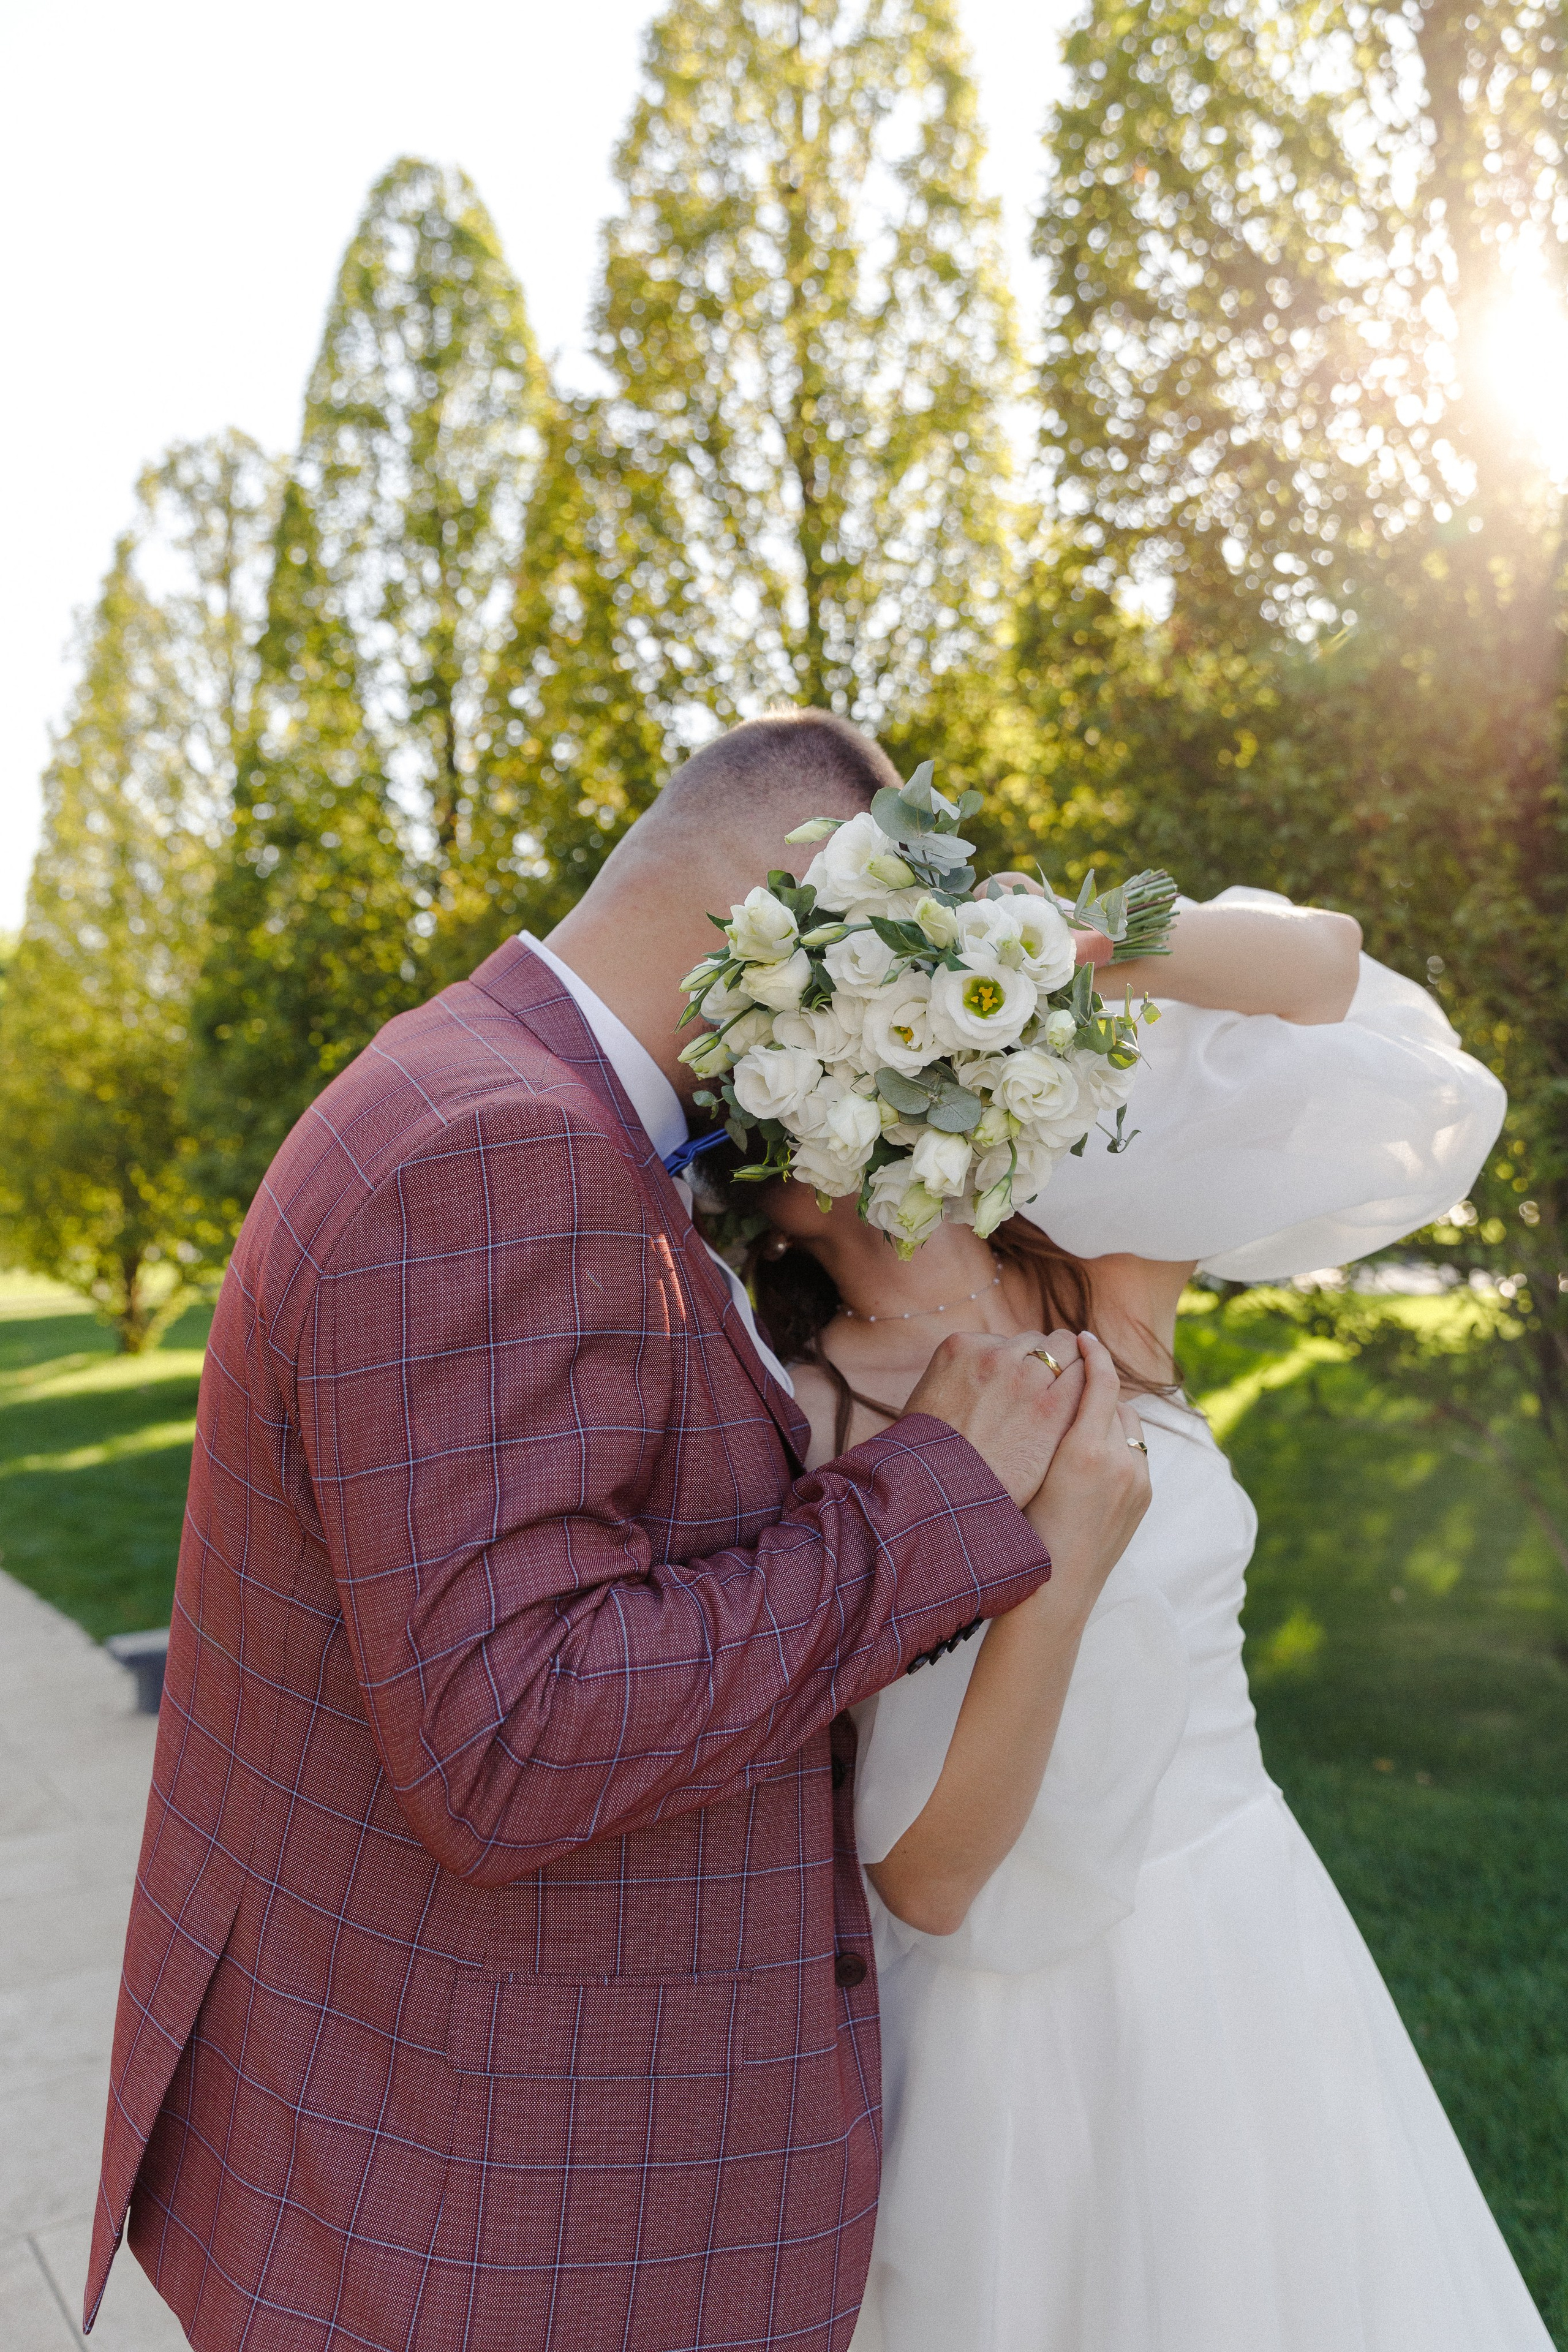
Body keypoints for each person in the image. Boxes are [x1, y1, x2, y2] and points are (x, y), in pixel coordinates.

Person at [86, 710, 1150, 2352]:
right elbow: (516, 1733)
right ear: (803, 906)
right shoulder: (507, 1149)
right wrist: (933, 1483)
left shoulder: (484, 1088)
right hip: (493, 2227)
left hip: (429, 2147)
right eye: (893, 961)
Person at [730, 882, 1551, 2350]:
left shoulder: (1096, 1269)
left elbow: (1322, 974)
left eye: (858, 1034)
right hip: (1012, 2041)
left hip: (1241, 1939)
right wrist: (1066, 1566)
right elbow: (923, 1884)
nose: (833, 1089)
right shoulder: (797, 1419)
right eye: (789, 1061)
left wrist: (1066, 944)